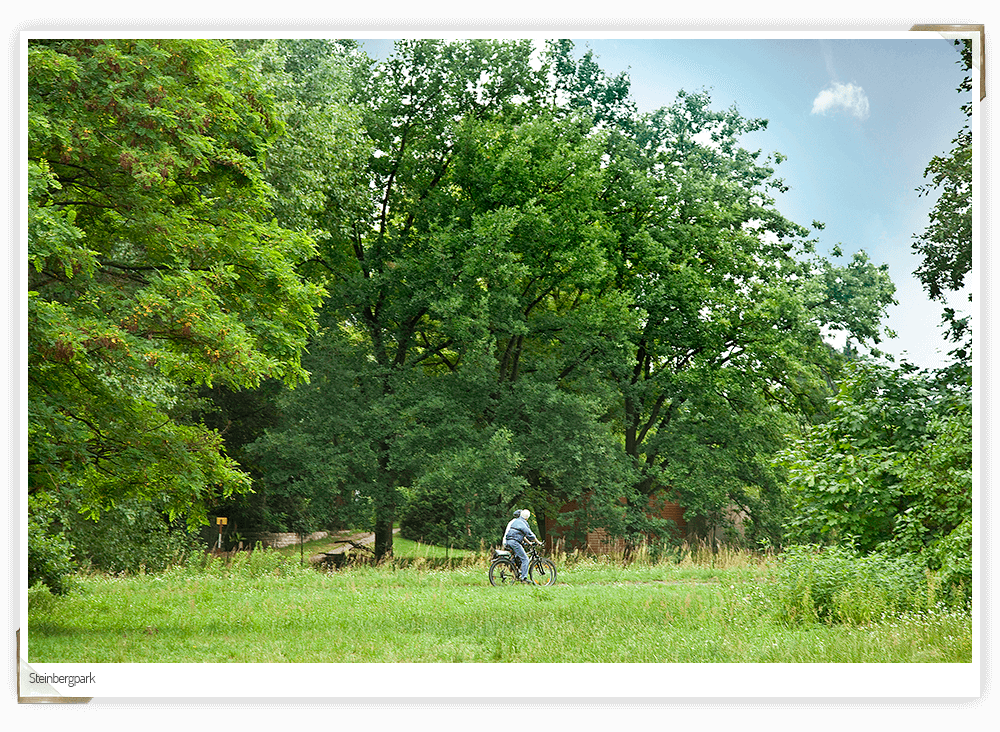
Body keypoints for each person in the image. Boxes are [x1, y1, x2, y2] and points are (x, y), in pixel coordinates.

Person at [503, 509, 539, 582]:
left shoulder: (515, 521)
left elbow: (522, 534)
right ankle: (524, 578)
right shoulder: (522, 522)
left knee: (518, 556)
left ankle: (517, 572)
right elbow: (529, 533)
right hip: (514, 542)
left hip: (508, 541)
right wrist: (538, 542)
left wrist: (529, 543)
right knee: (525, 559)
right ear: (527, 517)